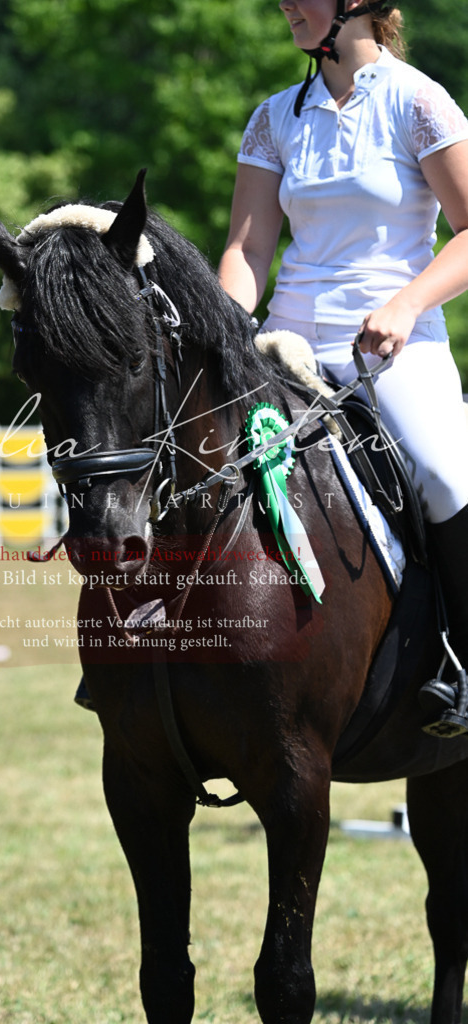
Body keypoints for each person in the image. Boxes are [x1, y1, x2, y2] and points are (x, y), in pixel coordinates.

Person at [218, 0, 468, 735]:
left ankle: (462, 664)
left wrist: (404, 303)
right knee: (190, 453)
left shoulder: (418, 100)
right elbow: (247, 250)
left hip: (392, 347)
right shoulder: (274, 117)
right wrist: (231, 326)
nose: (288, 6)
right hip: (286, 345)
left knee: (447, 473)